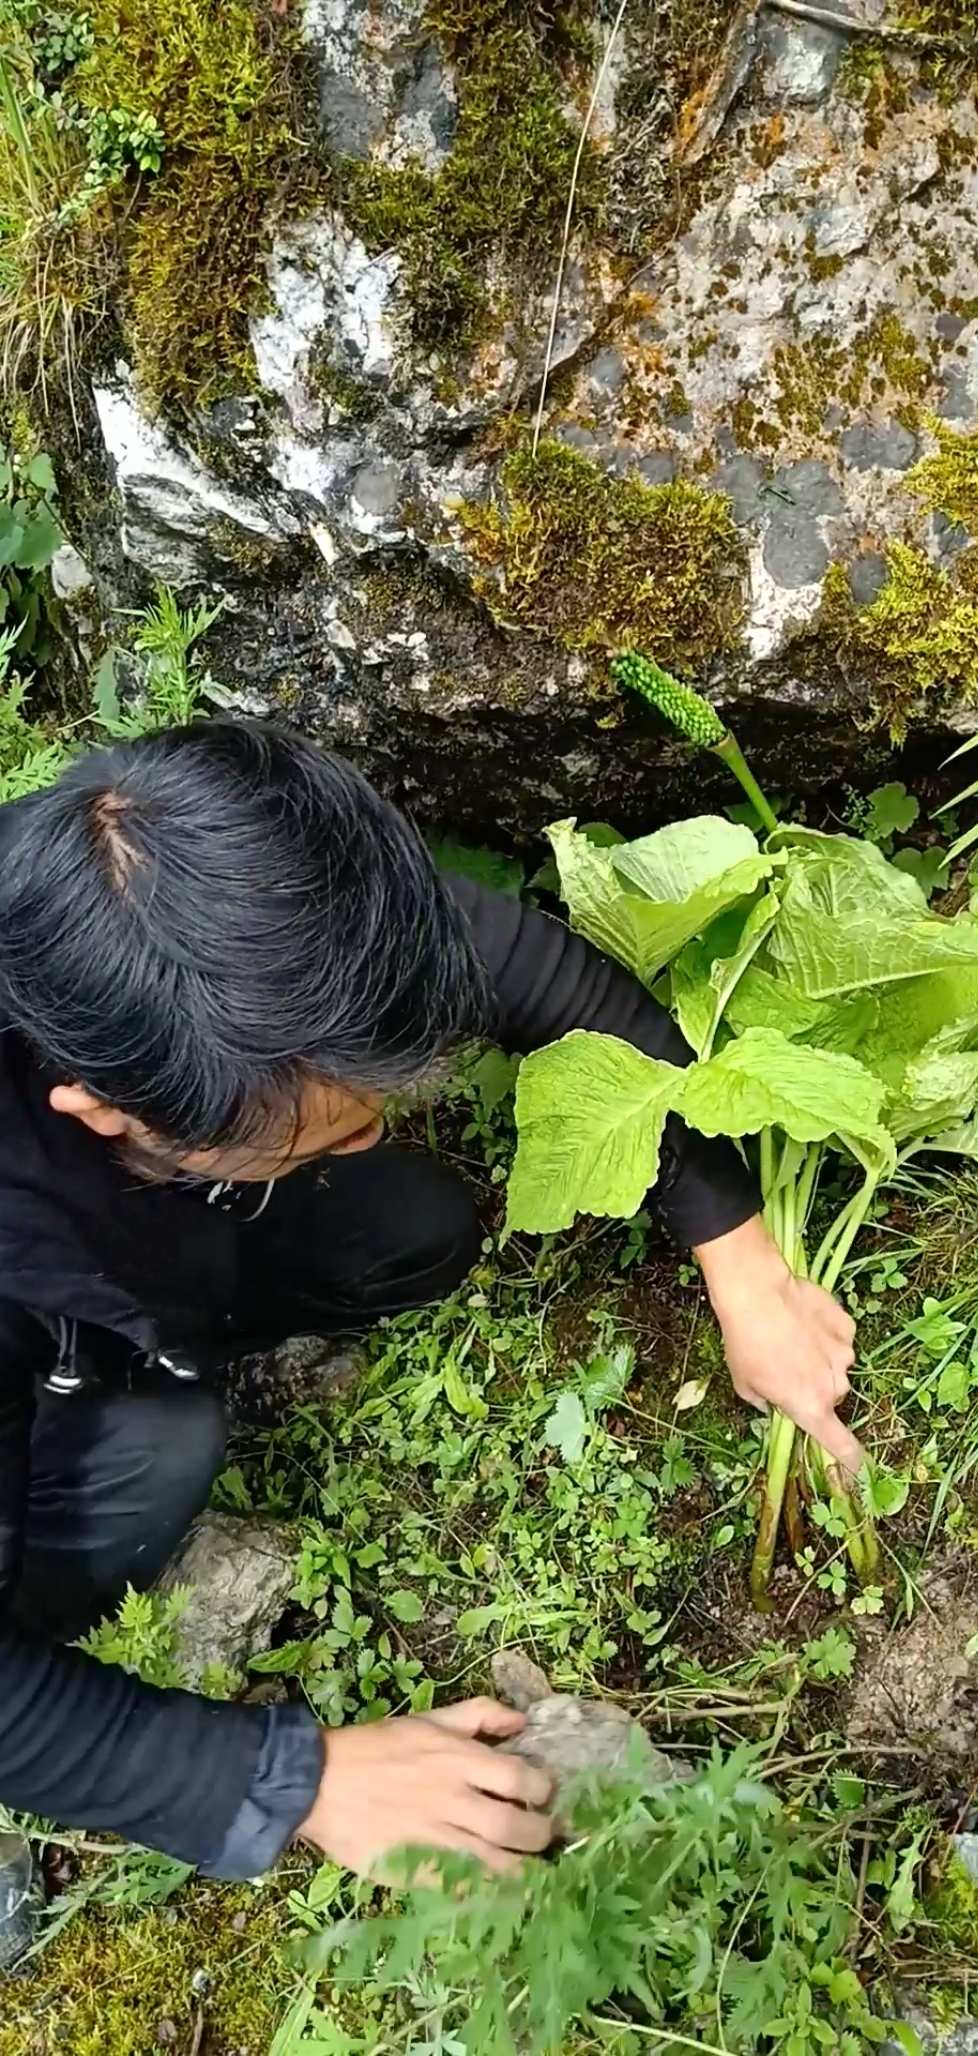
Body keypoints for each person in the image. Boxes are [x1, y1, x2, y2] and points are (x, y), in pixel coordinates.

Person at [0, 718, 858, 1953]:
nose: (363, 1136)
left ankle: (172, 1309)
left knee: (412, 1223)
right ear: (100, 1106)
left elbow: (556, 986)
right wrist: (300, 1781)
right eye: (321, 1135)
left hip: (126, 1223)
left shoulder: (231, 909)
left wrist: (740, 1254)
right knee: (162, 1451)